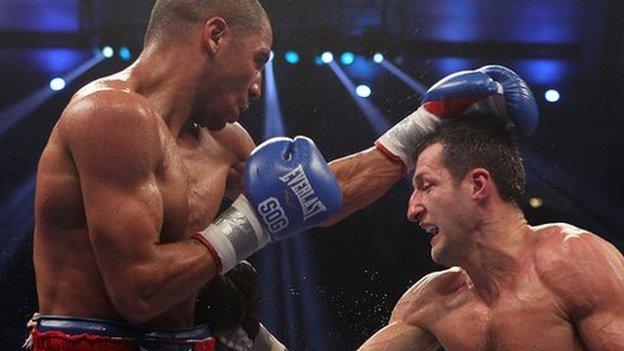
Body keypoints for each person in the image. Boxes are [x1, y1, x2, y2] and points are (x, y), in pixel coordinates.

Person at [29, 0, 538, 346]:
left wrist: (426, 122)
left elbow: (312, 197)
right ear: (215, 35)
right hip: (87, 341)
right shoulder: (111, 116)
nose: (257, 86)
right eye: (258, 60)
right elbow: (136, 293)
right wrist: (249, 226)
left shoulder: (224, 142)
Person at [358, 115, 624, 350]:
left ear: (477, 185)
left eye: (426, 186)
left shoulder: (573, 260)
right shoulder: (431, 301)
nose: (412, 210)